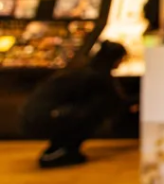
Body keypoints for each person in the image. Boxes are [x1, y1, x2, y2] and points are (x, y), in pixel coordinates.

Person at [20, 40, 130, 168]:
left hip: (33, 115)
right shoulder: (96, 76)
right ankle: (63, 150)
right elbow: (111, 101)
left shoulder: (83, 69)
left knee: (89, 110)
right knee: (94, 111)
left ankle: (58, 149)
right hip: (43, 118)